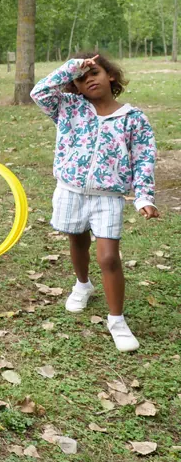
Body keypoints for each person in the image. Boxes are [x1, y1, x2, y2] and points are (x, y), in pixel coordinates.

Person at [31, 54, 158, 352]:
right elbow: (39, 92)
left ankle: (117, 319)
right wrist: (72, 66)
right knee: (77, 242)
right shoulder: (68, 106)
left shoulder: (133, 118)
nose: (88, 78)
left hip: (108, 196)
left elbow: (143, 160)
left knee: (109, 257)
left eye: (94, 72)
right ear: (74, 84)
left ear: (110, 75)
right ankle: (83, 284)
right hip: (70, 190)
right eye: (81, 77)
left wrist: (143, 197)